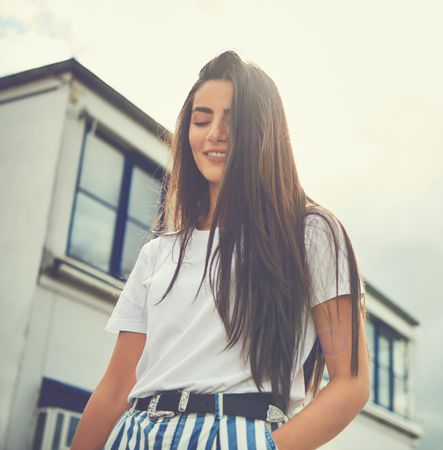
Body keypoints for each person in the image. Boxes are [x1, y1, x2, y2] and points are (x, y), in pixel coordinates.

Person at [70, 49, 370, 450]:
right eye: (201, 119)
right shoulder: (158, 254)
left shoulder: (311, 233)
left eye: (233, 119)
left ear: (264, 131)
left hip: (235, 433)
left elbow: (350, 381)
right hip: (136, 434)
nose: (214, 133)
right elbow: (115, 388)